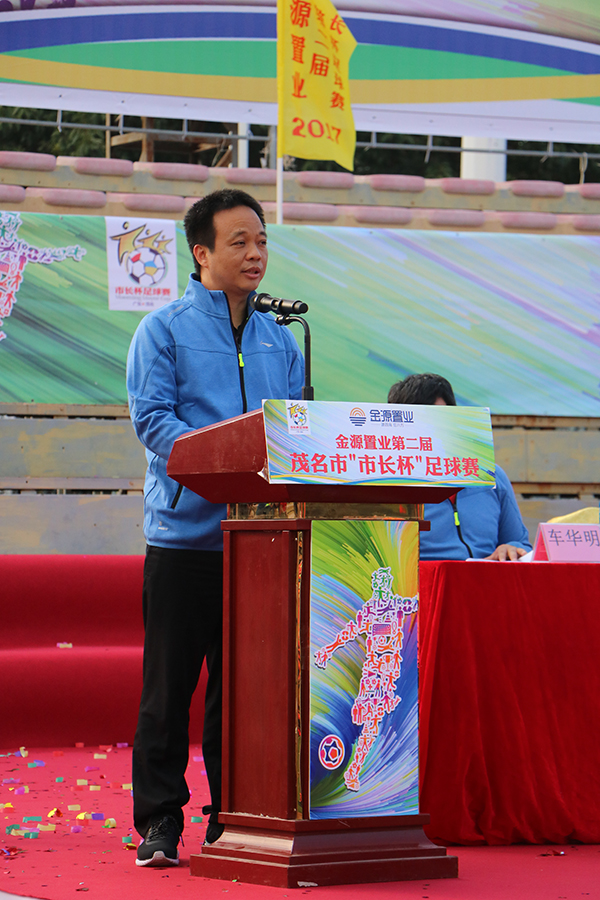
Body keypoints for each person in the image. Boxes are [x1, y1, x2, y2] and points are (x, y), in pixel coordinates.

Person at [126, 189, 304, 867]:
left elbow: (295, 429)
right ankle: (159, 820)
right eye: (240, 242)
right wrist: (223, 466)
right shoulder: (163, 330)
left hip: (262, 544)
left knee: (245, 691)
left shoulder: (281, 338)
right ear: (201, 252)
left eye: (262, 241)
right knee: (168, 690)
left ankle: (234, 814)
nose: (256, 254)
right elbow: (153, 420)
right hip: (184, 538)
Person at [387, 373, 532, 561]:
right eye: (422, 420)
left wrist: (510, 549)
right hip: (423, 579)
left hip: (487, 579)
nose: (434, 430)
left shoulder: (490, 475)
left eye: (443, 418)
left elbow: (520, 543)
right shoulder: (386, 484)